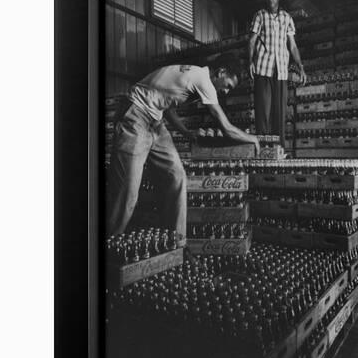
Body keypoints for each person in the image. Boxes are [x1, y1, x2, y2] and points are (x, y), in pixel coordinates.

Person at [106, 54, 260, 243]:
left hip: (156, 120)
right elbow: (226, 128)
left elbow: (168, 107)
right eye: (227, 85)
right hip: (135, 115)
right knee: (128, 192)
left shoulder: (193, 74)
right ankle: (109, 246)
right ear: (221, 72)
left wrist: (186, 133)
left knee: (177, 176)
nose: (226, 91)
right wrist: (252, 138)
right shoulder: (203, 80)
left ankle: (177, 243)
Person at [249, 0, 306, 145]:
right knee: (263, 113)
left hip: (281, 71)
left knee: (279, 114)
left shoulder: (287, 18)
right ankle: (263, 150)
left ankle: (278, 151)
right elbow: (252, 40)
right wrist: (250, 62)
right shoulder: (259, 15)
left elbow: (292, 45)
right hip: (263, 68)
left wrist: (300, 67)